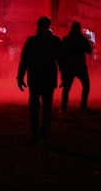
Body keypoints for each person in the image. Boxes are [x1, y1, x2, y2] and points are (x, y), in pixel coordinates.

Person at [17, 16, 62, 145]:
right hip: (48, 78)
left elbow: (24, 61)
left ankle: (35, 131)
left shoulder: (31, 41)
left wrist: (20, 77)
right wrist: (65, 77)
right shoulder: (54, 41)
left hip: (35, 78)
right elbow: (61, 61)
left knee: (34, 106)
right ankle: (44, 133)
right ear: (48, 26)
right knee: (47, 106)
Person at [59, 21, 92, 113]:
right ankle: (83, 105)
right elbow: (89, 51)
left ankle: (63, 107)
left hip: (69, 66)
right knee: (86, 85)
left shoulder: (66, 39)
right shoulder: (83, 39)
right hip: (80, 65)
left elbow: (61, 53)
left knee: (66, 87)